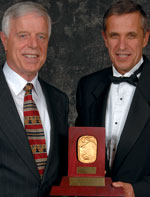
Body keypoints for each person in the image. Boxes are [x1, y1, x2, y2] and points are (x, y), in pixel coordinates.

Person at [75, 0, 150, 196]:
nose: (122, 46)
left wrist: (138, 190)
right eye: (114, 36)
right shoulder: (87, 85)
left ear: (145, 38)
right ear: (105, 38)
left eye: (131, 36)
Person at [0, 2, 69, 197]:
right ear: (4, 40)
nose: (33, 45)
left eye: (41, 36)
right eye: (23, 35)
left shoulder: (58, 101)